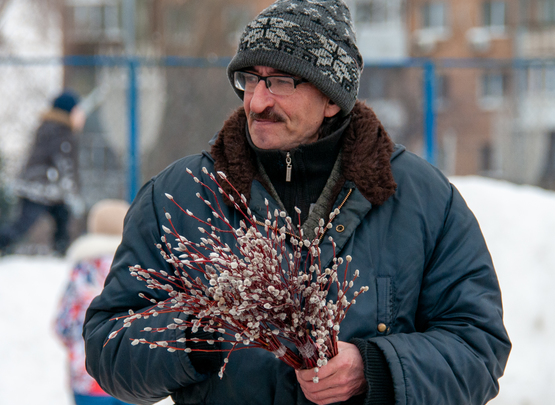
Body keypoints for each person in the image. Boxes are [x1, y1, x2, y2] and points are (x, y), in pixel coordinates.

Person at [83, 1, 511, 404]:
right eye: (249, 79)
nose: (257, 101)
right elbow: (108, 346)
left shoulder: (422, 198)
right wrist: (198, 333)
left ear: (331, 98)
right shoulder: (182, 195)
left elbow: (478, 349)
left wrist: (373, 367)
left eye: (281, 82)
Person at [0, 89, 86, 260]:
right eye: (78, 111)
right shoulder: (62, 132)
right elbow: (65, 166)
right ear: (68, 112)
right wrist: (73, 193)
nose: (82, 116)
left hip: (41, 185)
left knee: (60, 218)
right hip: (41, 187)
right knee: (26, 223)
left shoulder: (48, 127)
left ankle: (59, 253)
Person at [55, 199, 131, 405]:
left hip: (88, 377)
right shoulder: (140, 270)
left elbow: (63, 326)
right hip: (133, 377)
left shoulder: (83, 271)